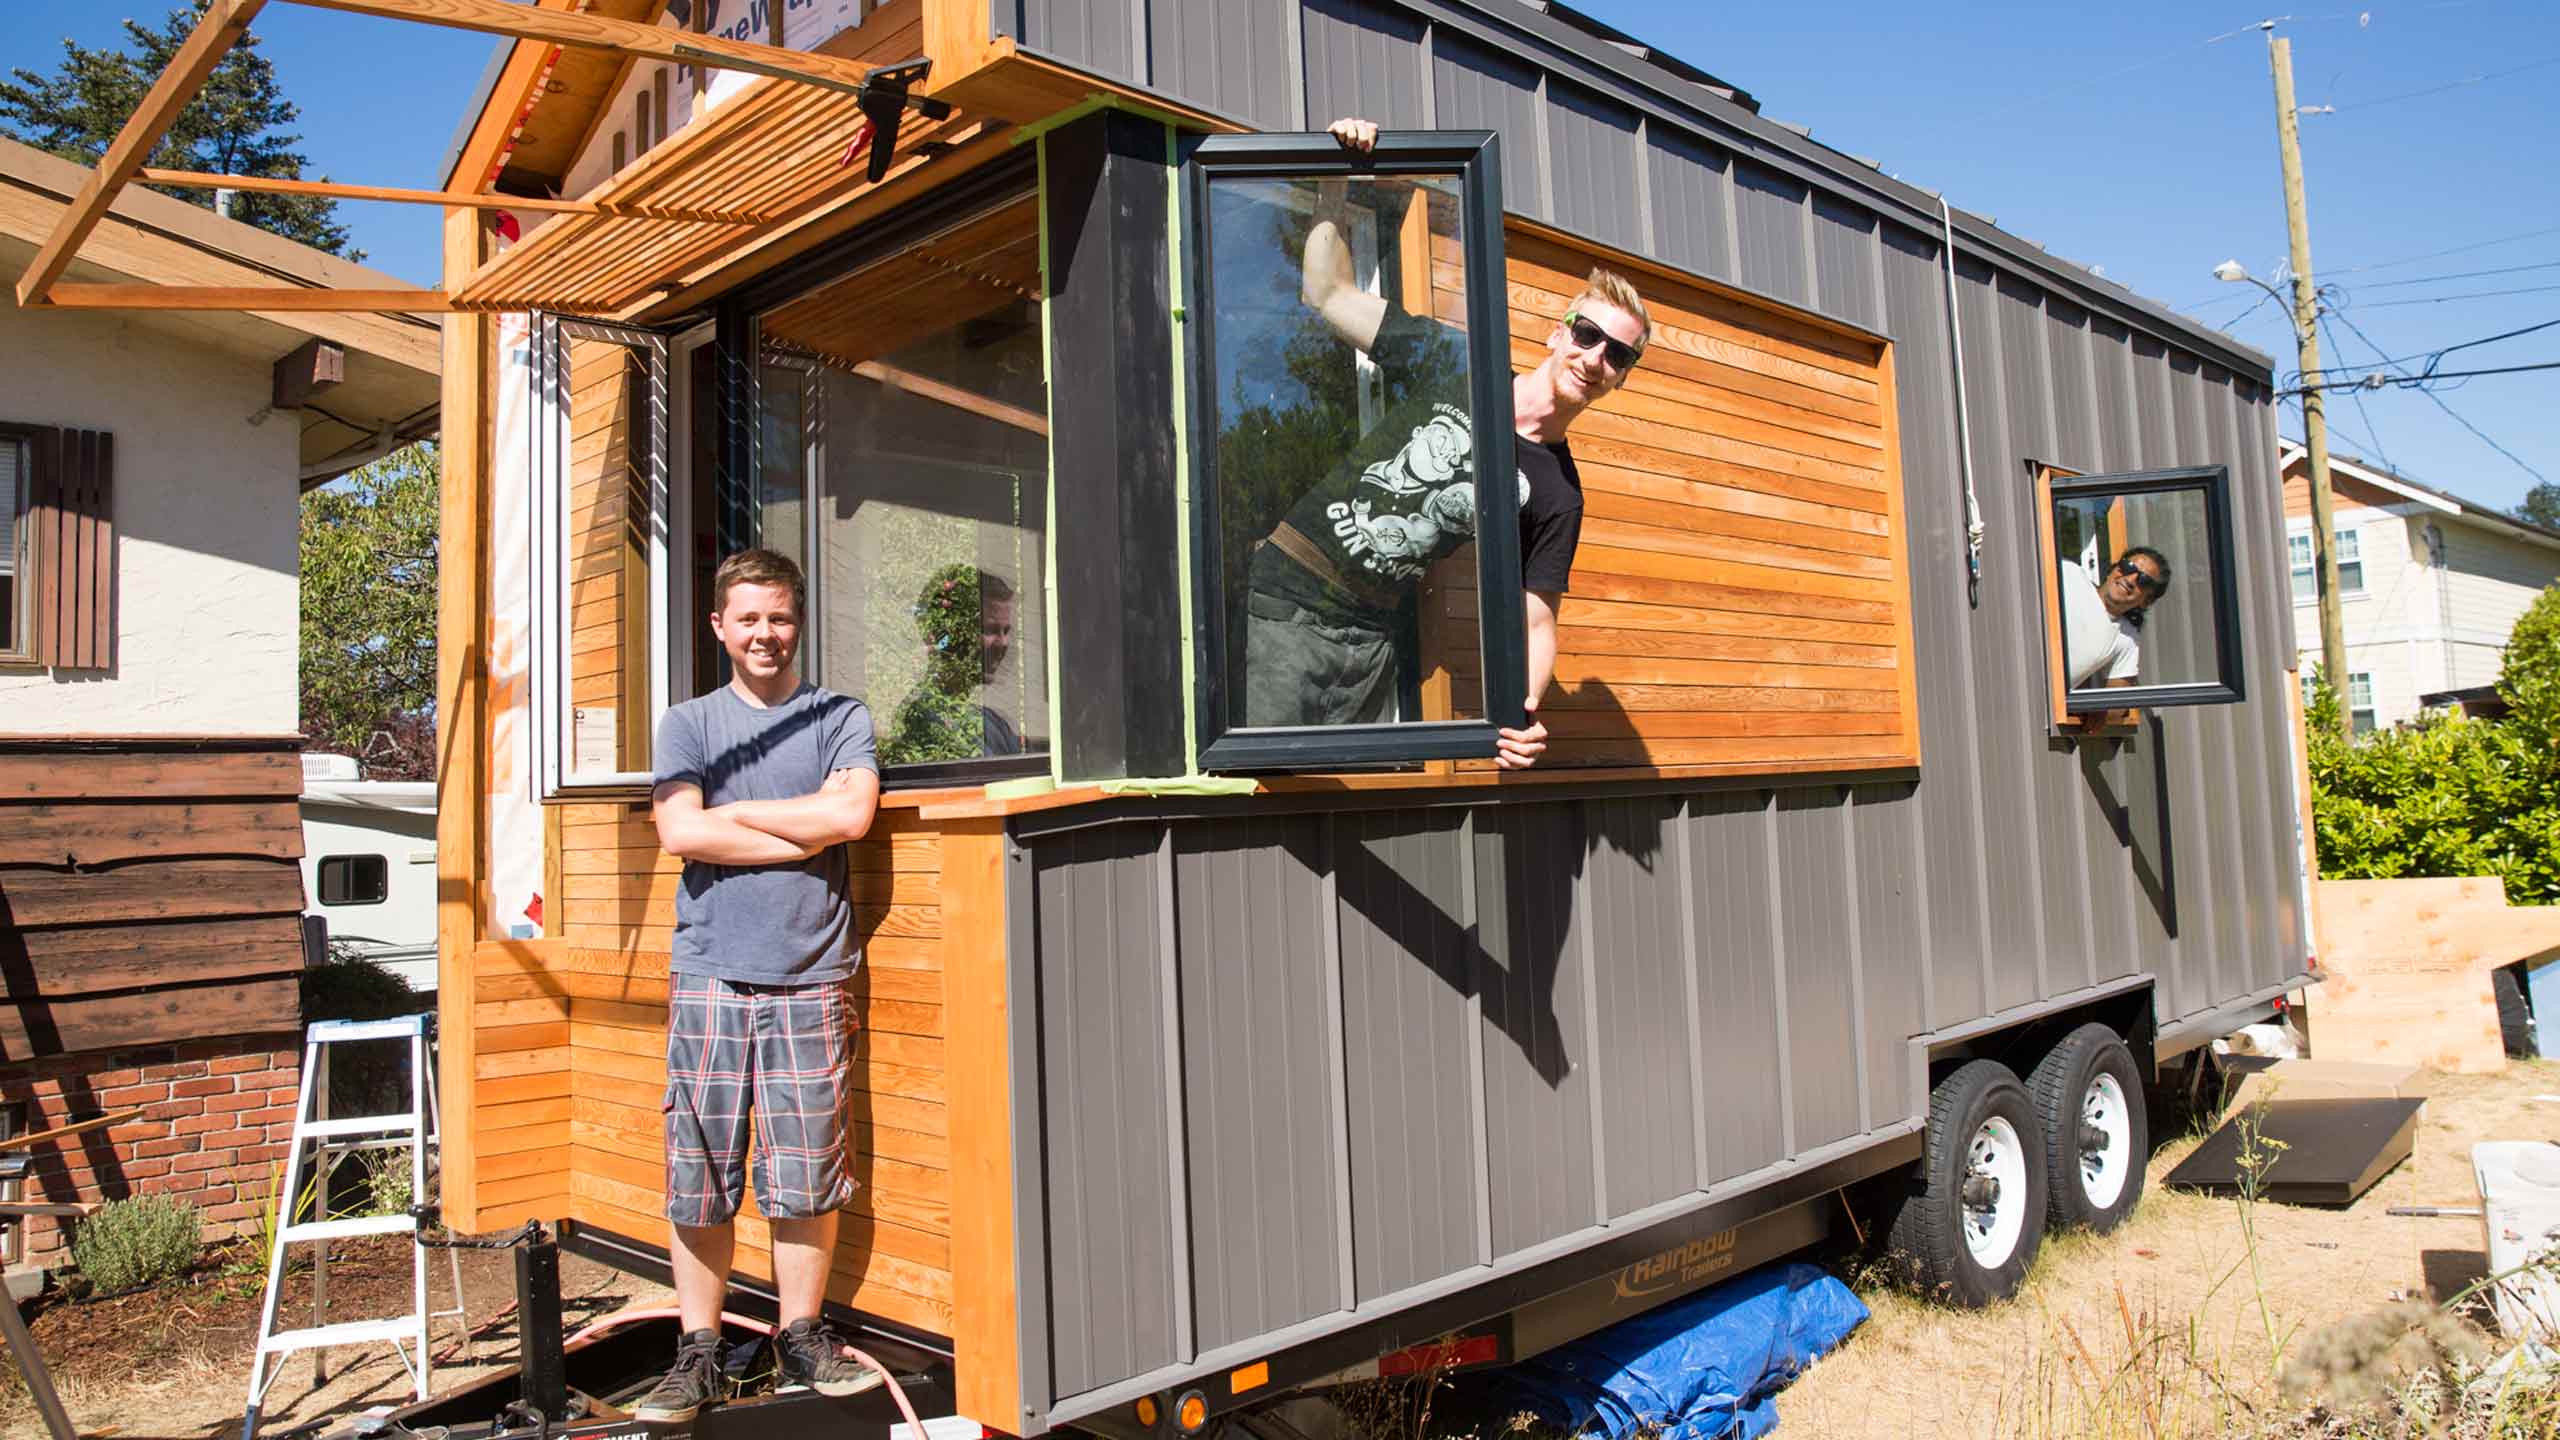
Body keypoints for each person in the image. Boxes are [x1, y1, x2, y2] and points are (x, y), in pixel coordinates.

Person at [1242, 116, 1651, 769]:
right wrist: (1334, 175)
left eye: (1618, 354)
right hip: (1292, 591)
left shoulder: (1556, 495)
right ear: (1557, 333)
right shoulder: (1458, 361)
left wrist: (1521, 714)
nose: (1596, 357)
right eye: (1587, 335)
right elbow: (1327, 291)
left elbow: (1536, 621)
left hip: (1372, 634)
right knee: (1263, 785)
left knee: (1333, 801)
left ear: (1621, 378)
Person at [635, 547, 885, 1422]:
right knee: (698, 1169)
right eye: (748, 618)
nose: (765, 633)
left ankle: (802, 1336)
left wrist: (731, 814)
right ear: (719, 627)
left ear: (798, 622)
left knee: (808, 1170)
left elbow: (851, 816)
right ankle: (697, 1350)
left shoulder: (839, 716)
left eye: (779, 617)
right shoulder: (689, 724)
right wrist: (798, 831)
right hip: (710, 973)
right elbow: (678, 833)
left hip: (813, 975)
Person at [2059, 544, 2172, 692]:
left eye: (2144, 581)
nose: (2131, 580)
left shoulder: (2126, 639)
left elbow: (2114, 707)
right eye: (2128, 567)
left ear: (2147, 601)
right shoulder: (2069, 574)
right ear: (2113, 570)